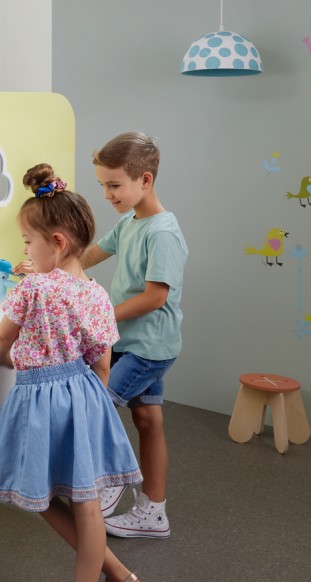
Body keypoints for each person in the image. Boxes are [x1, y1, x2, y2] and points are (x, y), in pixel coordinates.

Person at [0, 164, 149, 582]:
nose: (25, 254)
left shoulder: (34, 286)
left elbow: (2, 337)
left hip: (41, 399)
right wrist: (93, 403)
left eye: (27, 244)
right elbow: (102, 359)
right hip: (85, 394)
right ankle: (120, 579)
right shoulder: (96, 292)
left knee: (43, 493)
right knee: (84, 501)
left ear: (55, 242)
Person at [84, 131, 188, 539]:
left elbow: (154, 296)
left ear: (144, 180)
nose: (107, 194)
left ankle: (111, 482)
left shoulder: (162, 233)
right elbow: (94, 253)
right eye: (102, 186)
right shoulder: (131, 220)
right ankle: (153, 512)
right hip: (133, 342)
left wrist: (102, 318)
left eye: (114, 185)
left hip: (149, 348)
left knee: (98, 404)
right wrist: (53, 263)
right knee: (147, 420)